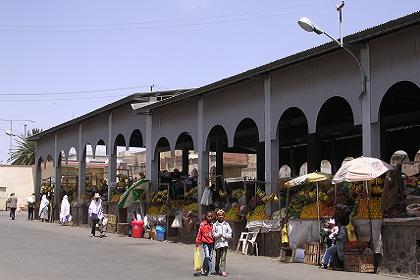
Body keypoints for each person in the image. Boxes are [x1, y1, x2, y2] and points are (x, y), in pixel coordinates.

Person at [213, 209, 232, 277]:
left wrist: (225, 235)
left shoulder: (227, 224)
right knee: (218, 257)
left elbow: (230, 234)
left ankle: (223, 271)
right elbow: (213, 234)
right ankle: (217, 269)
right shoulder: (215, 225)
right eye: (219, 215)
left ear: (224, 216)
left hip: (224, 243)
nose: (221, 216)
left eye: (222, 215)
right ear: (217, 216)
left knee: (223, 257)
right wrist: (218, 234)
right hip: (218, 243)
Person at [195, 211, 214, 276]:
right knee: (207, 256)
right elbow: (199, 233)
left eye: (211, 216)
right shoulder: (202, 224)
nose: (210, 218)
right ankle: (208, 270)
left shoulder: (212, 225)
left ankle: (206, 270)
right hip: (205, 243)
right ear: (206, 217)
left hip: (211, 243)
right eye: (209, 216)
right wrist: (197, 241)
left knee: (210, 257)